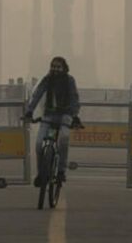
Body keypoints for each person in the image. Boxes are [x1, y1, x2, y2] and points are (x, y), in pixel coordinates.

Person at [23, 56, 81, 187]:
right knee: (38, 144)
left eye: (58, 67)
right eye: (53, 66)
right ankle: (41, 174)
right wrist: (29, 111)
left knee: (64, 139)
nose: (55, 69)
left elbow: (74, 98)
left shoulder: (69, 80)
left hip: (65, 115)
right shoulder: (47, 79)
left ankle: (61, 171)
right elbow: (37, 94)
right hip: (49, 115)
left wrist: (75, 115)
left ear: (64, 68)